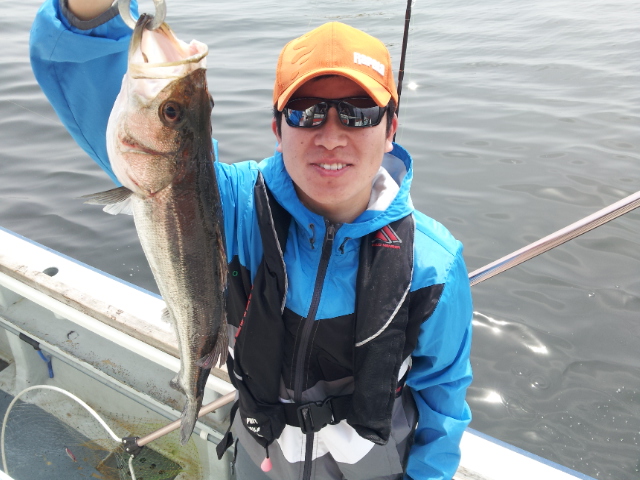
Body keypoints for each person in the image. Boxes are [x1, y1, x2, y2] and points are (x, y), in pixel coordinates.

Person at [30, 1, 473, 479]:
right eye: (306, 112)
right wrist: (91, 12)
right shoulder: (227, 203)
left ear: (391, 130)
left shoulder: (432, 265)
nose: (331, 136)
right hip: (261, 459)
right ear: (277, 128)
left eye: (359, 113)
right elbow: (106, 97)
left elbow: (443, 397)